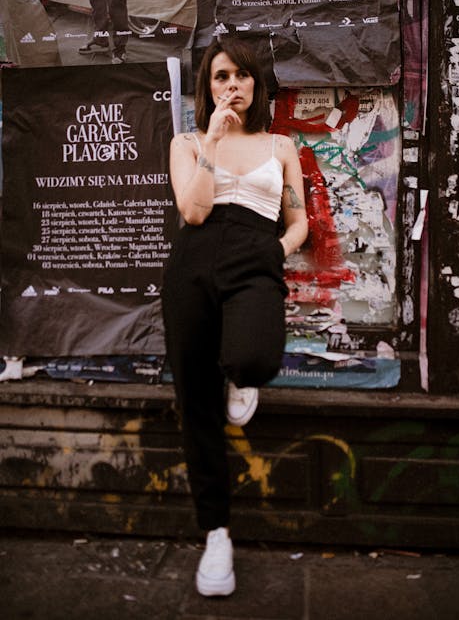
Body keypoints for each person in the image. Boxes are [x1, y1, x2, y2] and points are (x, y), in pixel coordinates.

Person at [162, 37, 308, 597]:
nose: (232, 86)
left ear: (256, 84)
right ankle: (216, 533)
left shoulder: (281, 144)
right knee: (195, 406)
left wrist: (278, 250)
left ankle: (238, 374)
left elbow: (297, 221)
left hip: (255, 255)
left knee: (253, 358)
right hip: (194, 262)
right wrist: (212, 144)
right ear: (208, 87)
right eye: (221, 77)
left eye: (241, 76)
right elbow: (194, 211)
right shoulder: (185, 142)